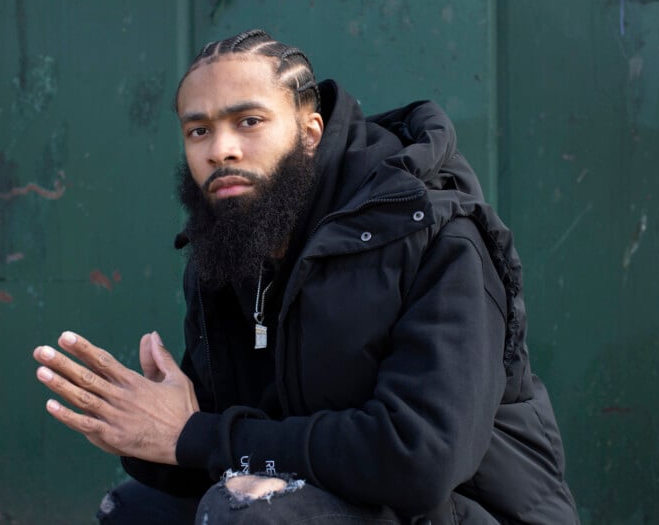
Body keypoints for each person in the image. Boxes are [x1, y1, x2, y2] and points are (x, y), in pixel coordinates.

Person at [33, 29, 579, 524]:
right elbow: (225, 446)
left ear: (310, 130)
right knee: (138, 510)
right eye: (198, 131)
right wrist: (144, 429)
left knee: (249, 515)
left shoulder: (434, 235)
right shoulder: (228, 252)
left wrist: (196, 435)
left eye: (248, 122)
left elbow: (421, 457)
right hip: (337, 500)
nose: (221, 149)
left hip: (470, 513)